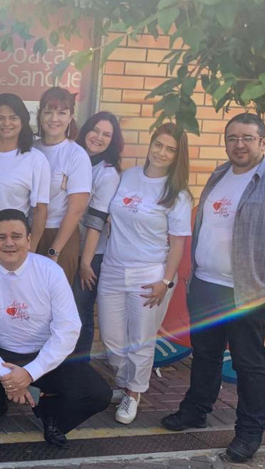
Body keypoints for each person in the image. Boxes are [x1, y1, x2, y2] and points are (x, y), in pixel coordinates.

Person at [161, 113, 265, 462]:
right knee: (206, 355)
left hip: (248, 292)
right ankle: (196, 410)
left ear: (262, 142)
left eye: (247, 137)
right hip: (207, 285)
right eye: (232, 138)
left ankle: (250, 432)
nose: (238, 144)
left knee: (249, 364)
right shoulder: (219, 175)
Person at [0, 209, 110, 446]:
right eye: (1, 237)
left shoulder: (50, 272)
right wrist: (6, 375)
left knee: (97, 394)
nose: (9, 243)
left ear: (28, 239)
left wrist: (29, 373)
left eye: (16, 236)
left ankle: (51, 414)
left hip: (42, 354)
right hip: (0, 354)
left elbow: (68, 329)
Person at [98, 123, 191, 424]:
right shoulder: (128, 176)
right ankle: (127, 382)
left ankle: (134, 393)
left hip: (149, 273)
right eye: (158, 144)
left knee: (140, 339)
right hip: (113, 268)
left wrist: (166, 281)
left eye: (170, 149)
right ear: (150, 144)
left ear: (178, 156)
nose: (162, 152)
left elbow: (178, 243)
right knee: (112, 340)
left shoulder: (177, 194)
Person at [73, 112, 123, 362]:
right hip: (65, 248)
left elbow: (95, 221)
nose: (98, 137)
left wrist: (84, 262)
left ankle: (77, 371)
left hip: (90, 254)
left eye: (106, 135)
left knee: (80, 312)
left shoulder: (108, 172)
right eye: (95, 130)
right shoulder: (71, 155)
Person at [0, 93, 51, 260]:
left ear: (23, 121)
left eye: (13, 118)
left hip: (15, 237)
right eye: (0, 118)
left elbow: (40, 210)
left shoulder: (34, 159)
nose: (6, 123)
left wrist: (30, 250)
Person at [33, 87, 92, 281]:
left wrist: (54, 250)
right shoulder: (31, 148)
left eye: (61, 113)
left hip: (58, 235)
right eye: (48, 112)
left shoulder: (76, 155)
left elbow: (76, 211)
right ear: (40, 114)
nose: (53, 119)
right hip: (27, 231)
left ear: (70, 117)